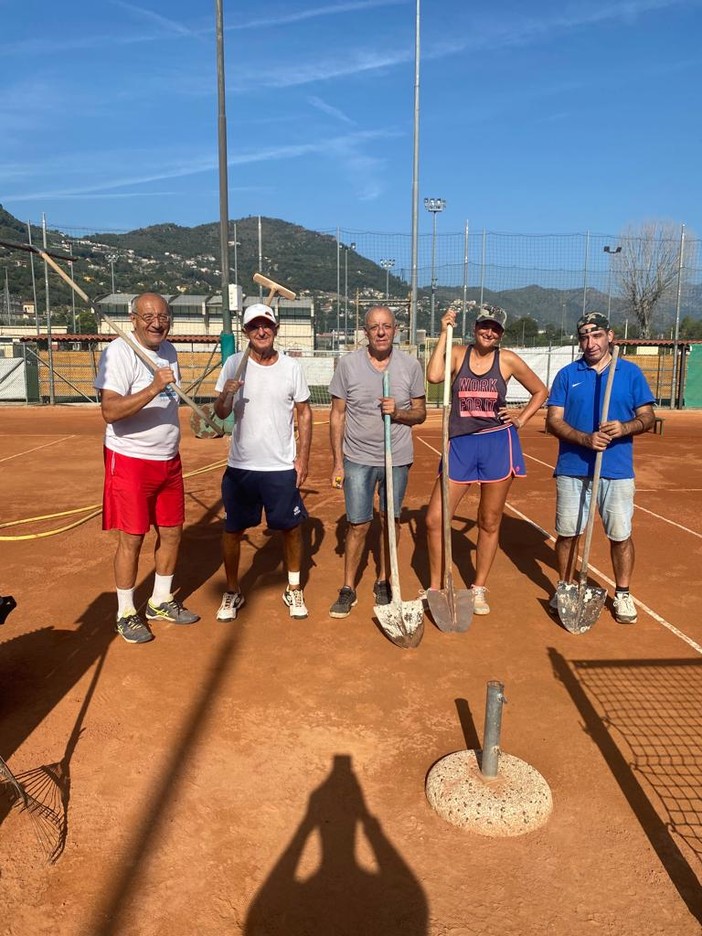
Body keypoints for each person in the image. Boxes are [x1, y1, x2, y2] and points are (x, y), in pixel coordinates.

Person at [425, 306, 548, 615]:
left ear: (501, 333)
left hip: (497, 443)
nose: (489, 332)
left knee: (489, 520)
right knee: (435, 519)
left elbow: (540, 391)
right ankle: (435, 589)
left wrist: (521, 417)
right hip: (460, 445)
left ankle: (478, 589)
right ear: (476, 326)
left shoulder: (506, 360)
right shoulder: (456, 352)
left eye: (495, 328)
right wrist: (443, 332)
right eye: (484, 326)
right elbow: (434, 376)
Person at [95, 292, 199, 645]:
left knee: (171, 532)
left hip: (169, 458)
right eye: (149, 316)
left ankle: (160, 600)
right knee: (133, 537)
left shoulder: (168, 351)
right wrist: (154, 386)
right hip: (130, 460)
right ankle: (126, 612)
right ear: (133, 319)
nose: (157, 323)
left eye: (163, 316)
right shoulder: (118, 352)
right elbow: (109, 411)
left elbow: (171, 401)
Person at [546, 311, 655, 623]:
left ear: (610, 336)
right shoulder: (568, 374)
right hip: (572, 467)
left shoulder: (630, 373)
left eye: (596, 335)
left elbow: (647, 417)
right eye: (584, 336)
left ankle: (622, 593)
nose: (590, 342)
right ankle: (565, 587)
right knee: (568, 533)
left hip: (616, 469)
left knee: (620, 534)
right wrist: (584, 438)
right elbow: (553, 420)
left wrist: (625, 427)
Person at [213, 303, 312, 621]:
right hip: (241, 466)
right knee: (233, 530)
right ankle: (232, 591)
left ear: (275, 328)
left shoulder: (290, 368)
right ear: (245, 332)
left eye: (266, 325)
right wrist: (225, 394)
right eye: (254, 326)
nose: (261, 331)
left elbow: (304, 412)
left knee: (291, 529)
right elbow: (221, 414)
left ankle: (293, 587)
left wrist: (303, 458)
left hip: (281, 467)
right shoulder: (233, 365)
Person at [328, 305, 426, 618]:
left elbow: (421, 413)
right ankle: (348, 587)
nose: (381, 332)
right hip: (357, 458)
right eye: (374, 327)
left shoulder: (410, 366)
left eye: (386, 326)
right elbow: (337, 414)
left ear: (396, 330)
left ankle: (384, 580)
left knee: (390, 521)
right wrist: (338, 463)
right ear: (365, 332)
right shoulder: (348, 365)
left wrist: (397, 413)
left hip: (396, 458)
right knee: (358, 524)